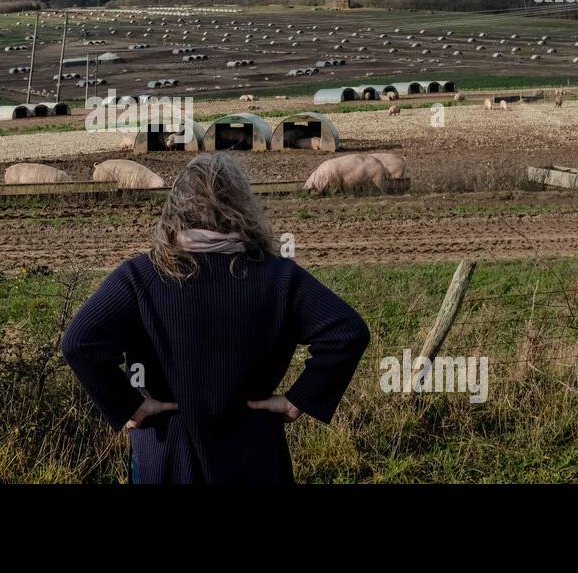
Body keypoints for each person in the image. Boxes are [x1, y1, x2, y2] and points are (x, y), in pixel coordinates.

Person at [62, 152, 370, 484]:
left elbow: (80, 343)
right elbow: (347, 332)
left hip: (165, 456)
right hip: (255, 457)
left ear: (175, 209)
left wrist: (128, 405)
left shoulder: (140, 276)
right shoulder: (279, 277)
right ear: (243, 208)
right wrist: (298, 400)